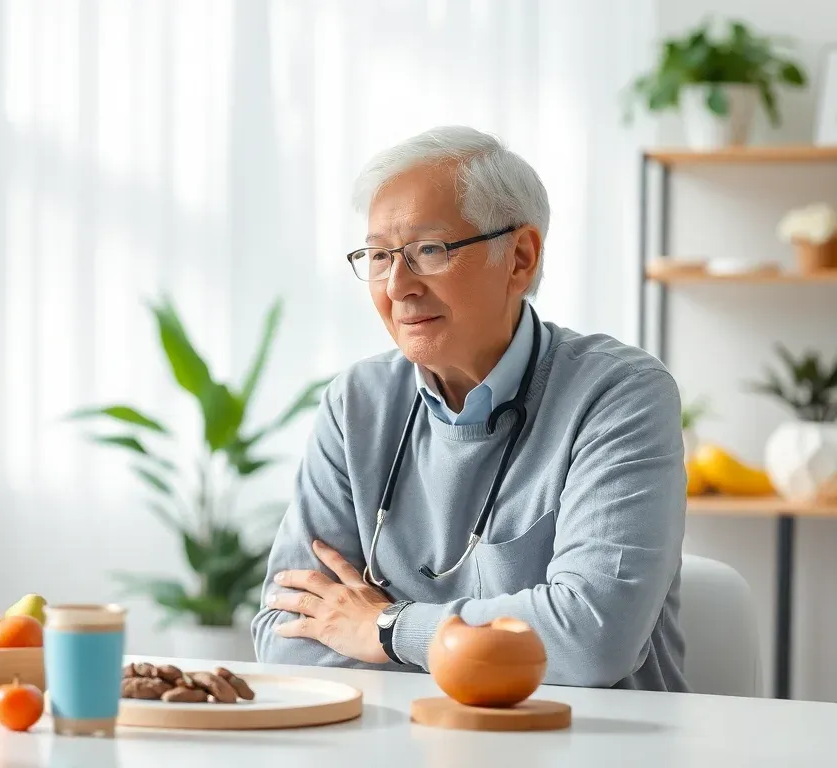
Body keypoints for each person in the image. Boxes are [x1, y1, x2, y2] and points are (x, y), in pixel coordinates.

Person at [250, 126, 688, 691]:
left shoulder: (619, 394)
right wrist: (486, 650)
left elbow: (591, 640)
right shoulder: (355, 404)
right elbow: (287, 635)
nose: (398, 285)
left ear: (520, 258)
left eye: (428, 251)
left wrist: (385, 628)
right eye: (379, 256)